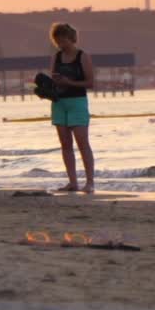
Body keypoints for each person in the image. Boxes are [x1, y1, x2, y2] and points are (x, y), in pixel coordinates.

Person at [44, 22, 96, 193]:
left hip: (77, 102)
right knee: (65, 145)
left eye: (63, 41)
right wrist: (46, 88)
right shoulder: (56, 58)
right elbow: (52, 79)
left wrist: (69, 82)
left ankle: (90, 182)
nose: (61, 45)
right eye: (57, 41)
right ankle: (72, 182)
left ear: (71, 39)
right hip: (59, 102)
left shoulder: (82, 56)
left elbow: (90, 82)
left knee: (83, 143)